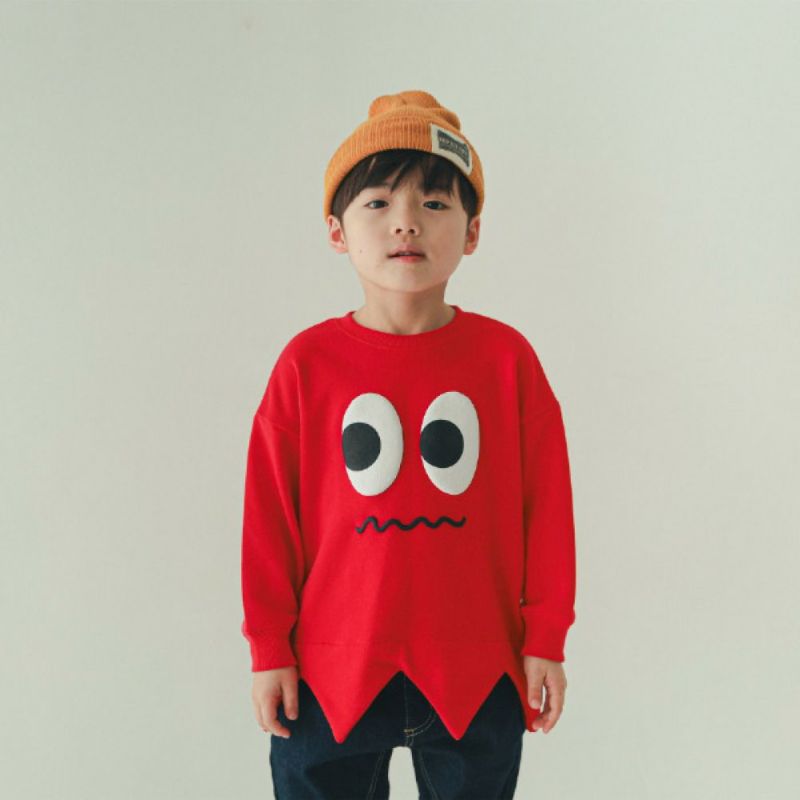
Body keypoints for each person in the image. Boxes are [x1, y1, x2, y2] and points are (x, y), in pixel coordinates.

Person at [240, 89, 577, 799]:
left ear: (472, 231)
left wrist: (545, 638)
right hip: (329, 671)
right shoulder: (306, 365)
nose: (406, 223)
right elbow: (270, 518)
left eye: (434, 202)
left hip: (478, 667)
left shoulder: (507, 361)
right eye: (378, 202)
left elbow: (546, 510)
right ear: (336, 231)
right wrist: (269, 647)